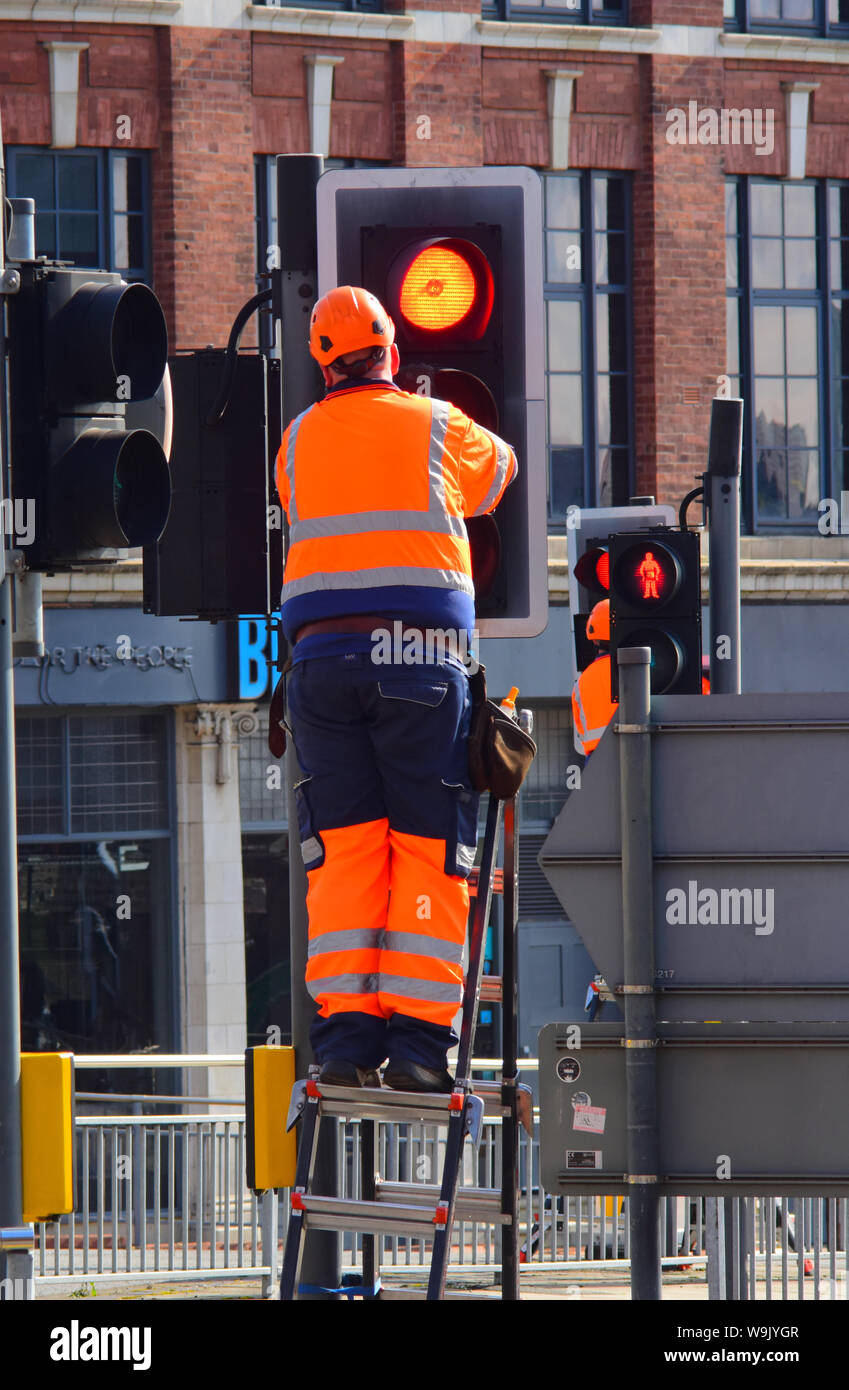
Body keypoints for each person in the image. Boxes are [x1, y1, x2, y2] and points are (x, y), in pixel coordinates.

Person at [275, 285, 517, 1093]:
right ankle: (417, 1046)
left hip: (319, 668)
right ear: (391, 353)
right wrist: (430, 407)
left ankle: (344, 1040)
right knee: (426, 851)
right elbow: (500, 474)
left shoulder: (296, 440)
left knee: (344, 851)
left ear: (322, 365)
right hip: (417, 660)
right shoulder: (438, 426)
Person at [571, 599, 618, 757]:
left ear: (594, 639)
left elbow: (580, 726)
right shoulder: (643, 671)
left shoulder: (583, 681)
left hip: (597, 760)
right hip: (643, 749)